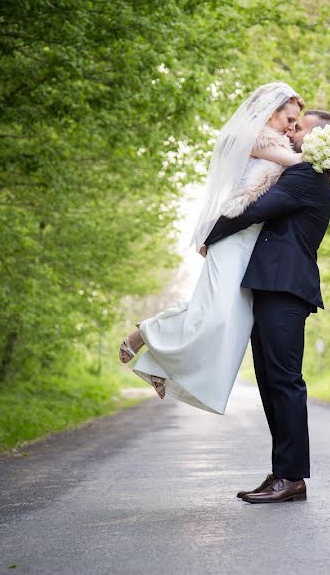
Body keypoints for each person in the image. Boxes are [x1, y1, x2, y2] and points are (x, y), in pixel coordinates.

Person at [117, 82, 305, 415]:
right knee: (216, 315)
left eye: (295, 124)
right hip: (234, 238)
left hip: (254, 243)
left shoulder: (278, 142)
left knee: (230, 319)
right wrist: (324, 152)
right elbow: (295, 164)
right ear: (270, 112)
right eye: (289, 120)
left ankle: (158, 364)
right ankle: (146, 333)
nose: (292, 128)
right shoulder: (255, 139)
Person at [201, 109, 330, 503]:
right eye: (293, 125)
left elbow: (254, 210)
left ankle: (292, 478)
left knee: (285, 382)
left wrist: (208, 236)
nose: (292, 131)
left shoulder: (307, 175)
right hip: (269, 287)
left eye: (301, 128)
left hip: (285, 288)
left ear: (320, 139)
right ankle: (281, 472)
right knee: (270, 382)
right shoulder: (297, 172)